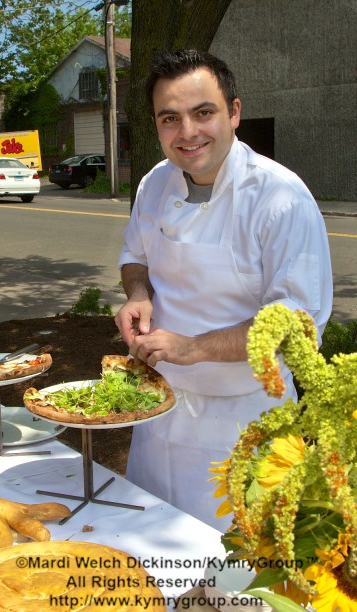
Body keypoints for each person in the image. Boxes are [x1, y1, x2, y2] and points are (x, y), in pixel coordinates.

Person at [114, 49, 333, 531]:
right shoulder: (155, 183)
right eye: (170, 118)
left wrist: (192, 346)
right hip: (161, 412)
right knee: (152, 557)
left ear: (234, 112)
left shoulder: (280, 198)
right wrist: (138, 294)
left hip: (247, 420)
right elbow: (136, 257)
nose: (187, 132)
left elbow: (292, 327)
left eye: (203, 112)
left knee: (238, 583)